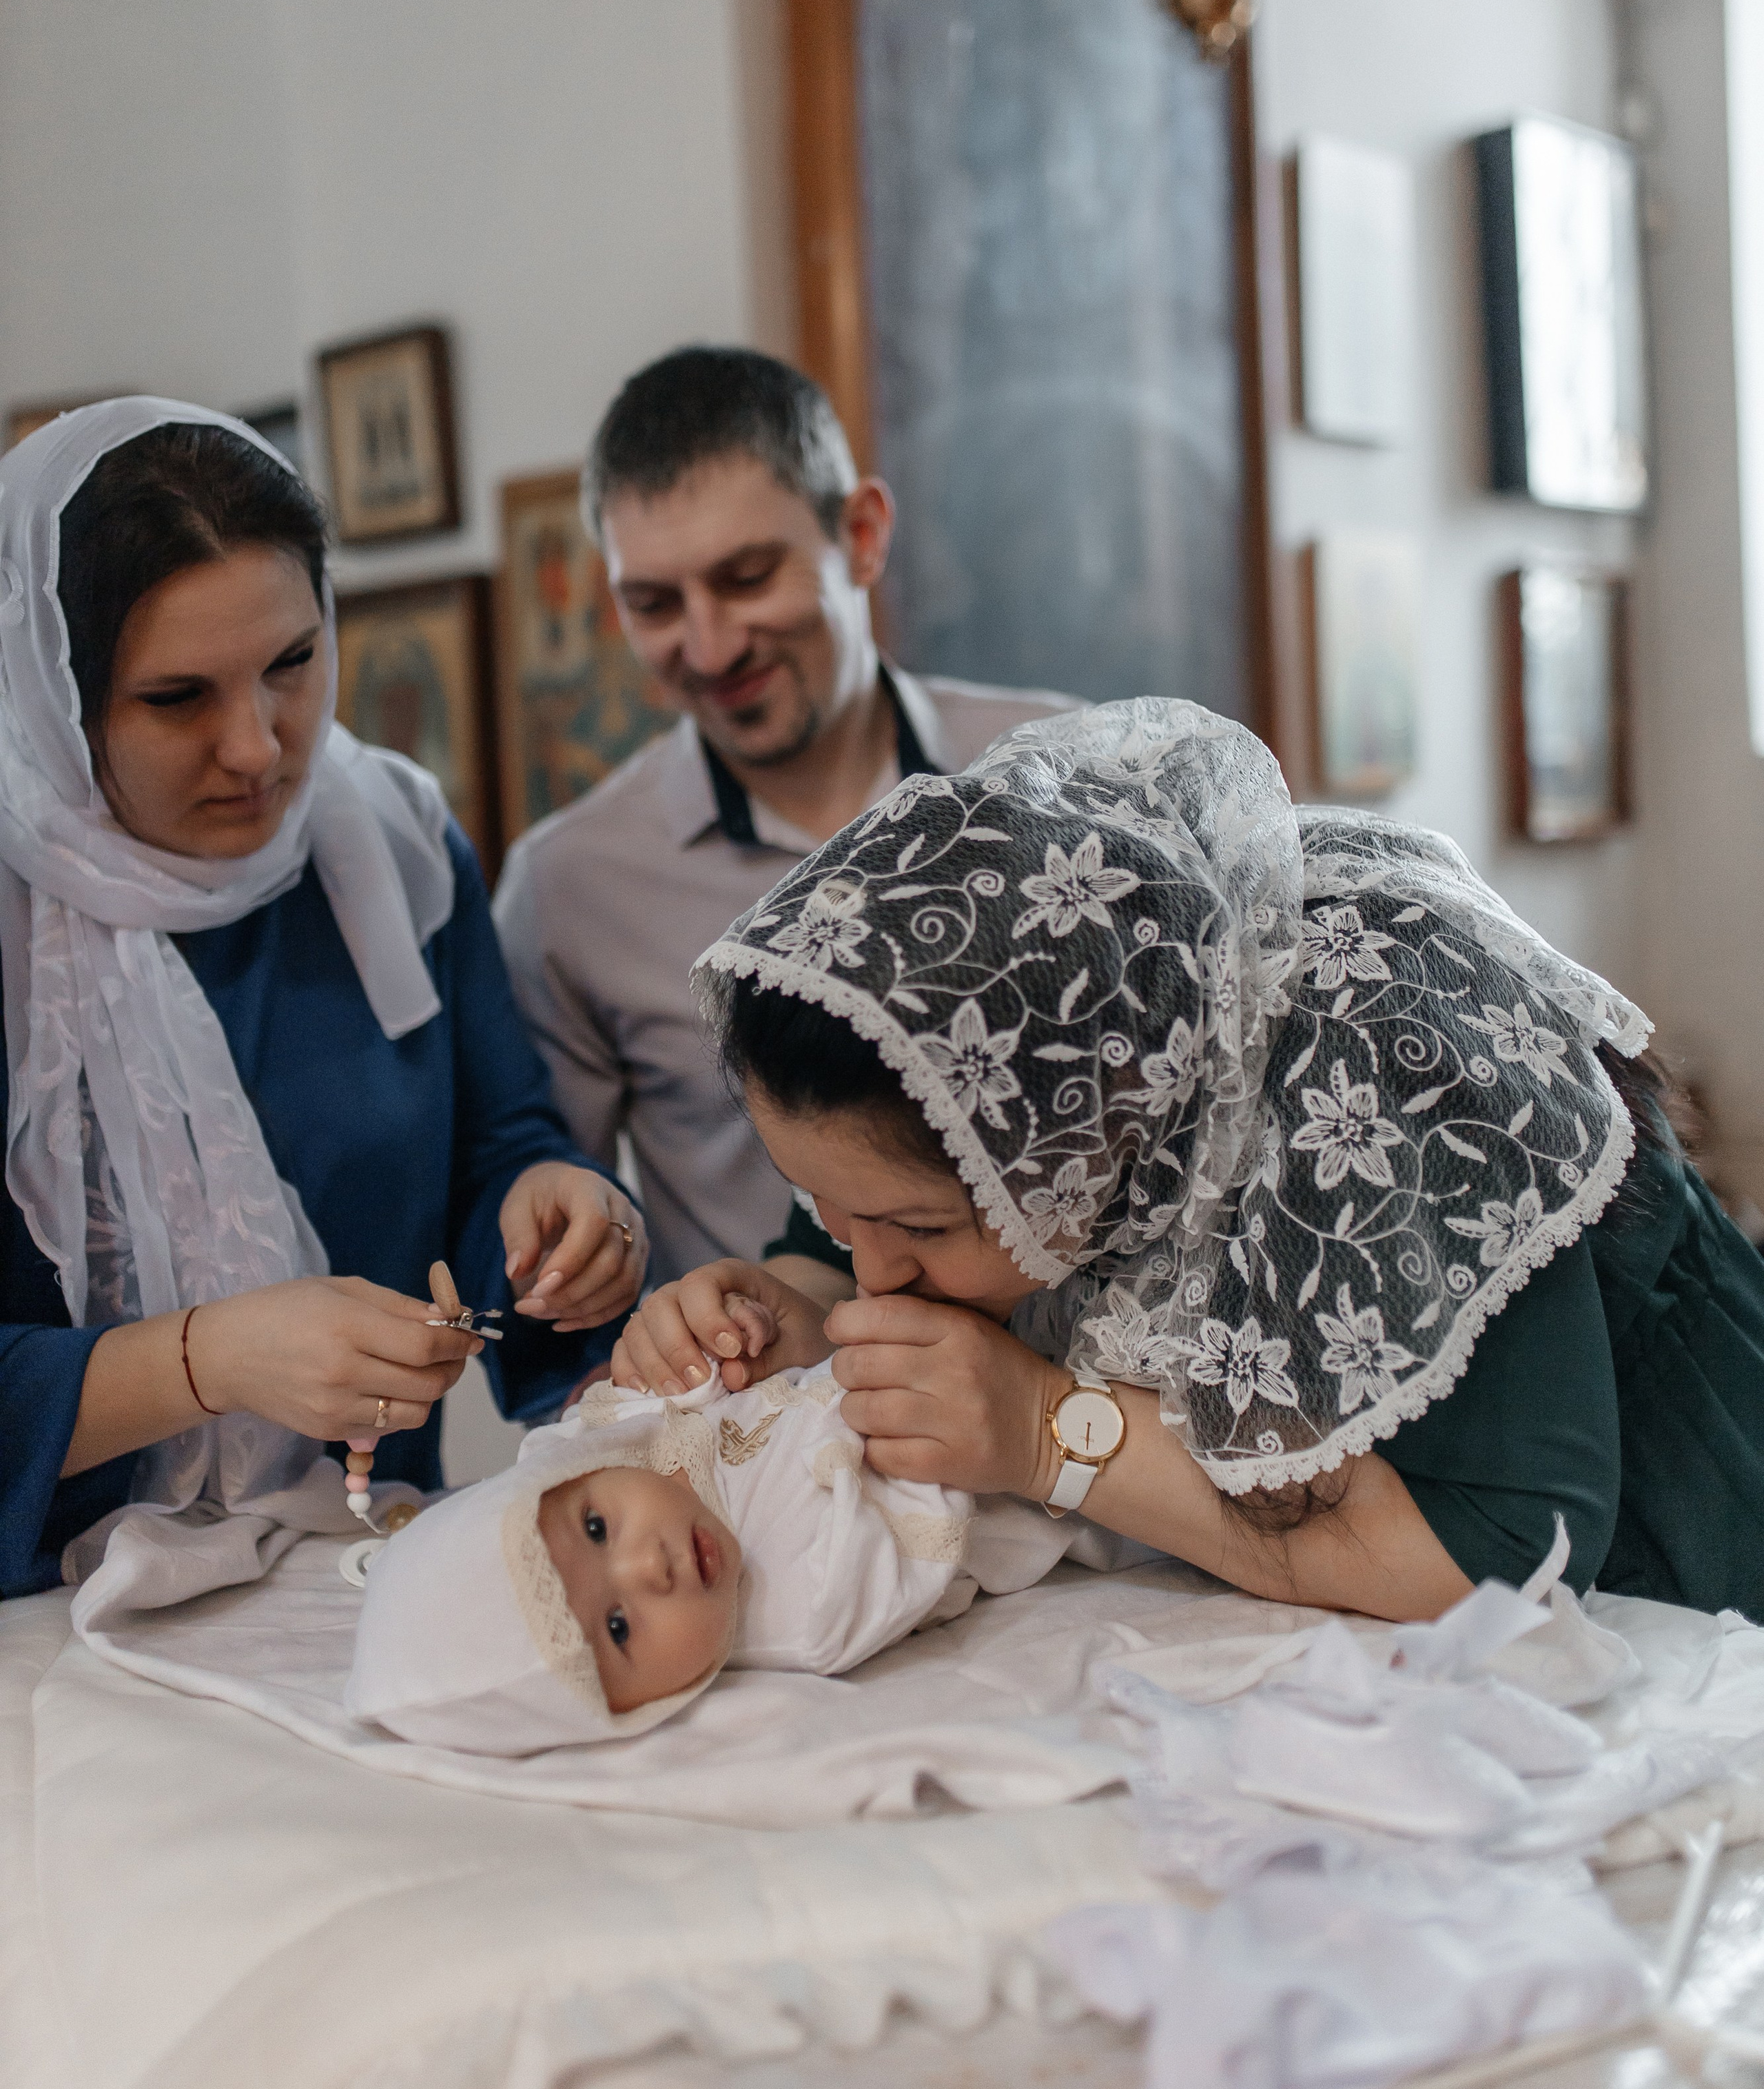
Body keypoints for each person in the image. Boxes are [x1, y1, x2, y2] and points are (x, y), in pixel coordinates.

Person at [621, 695, 1764, 1628]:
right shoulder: (949, 1081)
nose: (870, 1269)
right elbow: (852, 1240)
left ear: (1087, 1133)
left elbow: (1509, 1563)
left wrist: (1046, 1433)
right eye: (831, 1212)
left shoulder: (1366, 1080)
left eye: (917, 1234)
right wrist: (788, 1311)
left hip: (1691, 1555)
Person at [0, 400, 646, 1599]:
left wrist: (559, 1218)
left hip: (367, 1574)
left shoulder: (388, 844)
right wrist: (206, 1360)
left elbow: (491, 1156)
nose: (257, 747)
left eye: (294, 664)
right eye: (178, 697)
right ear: (51, 694)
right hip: (44, 1634)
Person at [491, 346, 1071, 1292]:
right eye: (655, 604)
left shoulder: (1057, 770)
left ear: (864, 535)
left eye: (748, 576)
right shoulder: (569, 884)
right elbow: (549, 1222)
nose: (710, 647)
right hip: (774, 1407)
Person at [344, 1358, 1085, 1754]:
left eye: (597, 1530)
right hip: (1052, 1451)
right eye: (620, 1630)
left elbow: (680, 1400)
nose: (648, 1569)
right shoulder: (809, 1611)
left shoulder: (640, 1450)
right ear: (641, 1711)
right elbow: (932, 1507)